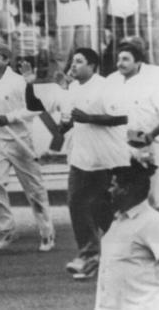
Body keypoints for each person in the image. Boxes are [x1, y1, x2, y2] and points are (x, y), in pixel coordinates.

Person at [57, 48, 129, 280]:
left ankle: (120, 255)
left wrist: (90, 118)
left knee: (102, 210)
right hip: (81, 159)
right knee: (76, 203)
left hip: (106, 160)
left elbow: (122, 117)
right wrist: (66, 125)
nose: (73, 65)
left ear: (92, 65)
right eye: (72, 61)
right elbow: (69, 119)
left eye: (79, 61)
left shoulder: (105, 86)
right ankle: (89, 256)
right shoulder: (73, 88)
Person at [108, 43, 159, 249]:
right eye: (118, 59)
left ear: (138, 62)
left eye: (126, 59)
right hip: (129, 147)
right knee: (137, 196)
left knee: (156, 198)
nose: (120, 63)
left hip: (156, 146)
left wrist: (150, 137)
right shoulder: (115, 83)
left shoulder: (152, 84)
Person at [0, 42, 55, 251]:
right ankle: (8, 231)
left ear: (6, 60)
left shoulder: (18, 81)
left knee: (35, 190)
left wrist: (10, 117)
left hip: (20, 141)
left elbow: (35, 109)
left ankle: (47, 233)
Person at [95, 158, 159, 309]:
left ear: (127, 189)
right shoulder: (117, 221)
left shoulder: (152, 222)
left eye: (113, 185)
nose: (109, 190)